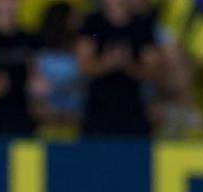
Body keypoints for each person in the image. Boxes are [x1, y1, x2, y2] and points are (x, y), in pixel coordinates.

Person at [76, 0, 159, 136]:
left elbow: (152, 71)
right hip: (98, 106)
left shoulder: (142, 25)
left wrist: (128, 65)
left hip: (132, 105)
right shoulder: (92, 23)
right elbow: (84, 66)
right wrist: (107, 63)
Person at [0, 0, 36, 135]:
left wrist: (36, 82)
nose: (7, 4)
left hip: (25, 121)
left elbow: (37, 76)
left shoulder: (29, 39)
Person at [29, 2, 83, 134]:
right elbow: (35, 100)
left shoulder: (81, 52)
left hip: (77, 128)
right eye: (73, 18)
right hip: (47, 128)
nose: (78, 23)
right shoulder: (41, 56)